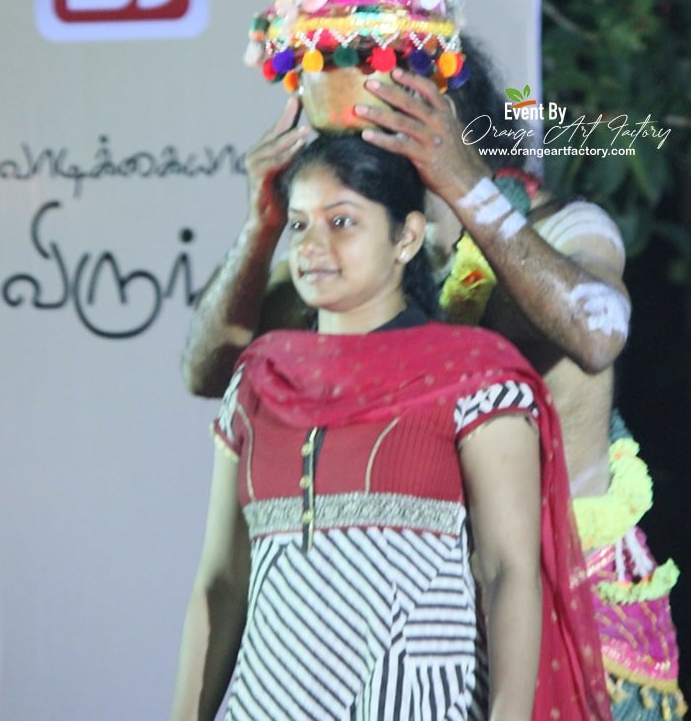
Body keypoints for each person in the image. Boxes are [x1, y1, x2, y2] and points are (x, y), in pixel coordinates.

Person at [182, 36, 686, 718]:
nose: (356, 146)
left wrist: (464, 183)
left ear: (443, 119)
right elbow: (212, 371)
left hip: (574, 610)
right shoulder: (355, 251)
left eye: (384, 120)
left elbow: (597, 335)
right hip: (428, 637)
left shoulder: (563, 228)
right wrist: (261, 227)